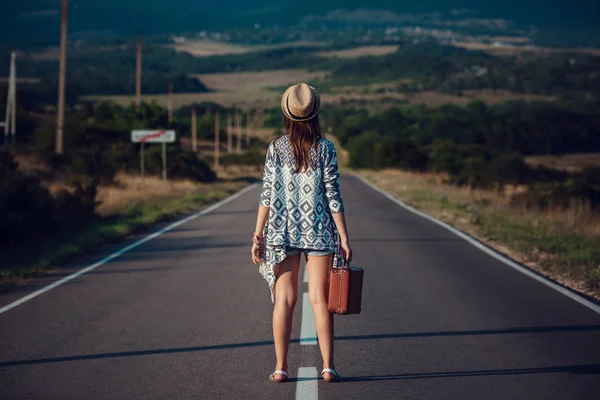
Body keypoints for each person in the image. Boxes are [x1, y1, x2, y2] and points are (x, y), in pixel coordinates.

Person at [251, 83, 352, 383]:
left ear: (288, 115)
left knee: (284, 300)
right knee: (320, 300)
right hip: (319, 230)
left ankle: (281, 367)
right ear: (315, 114)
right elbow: (333, 195)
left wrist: (258, 235)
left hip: (281, 232)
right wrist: (344, 237)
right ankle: (328, 367)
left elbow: (266, 195)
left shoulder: (275, 149)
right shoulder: (326, 149)